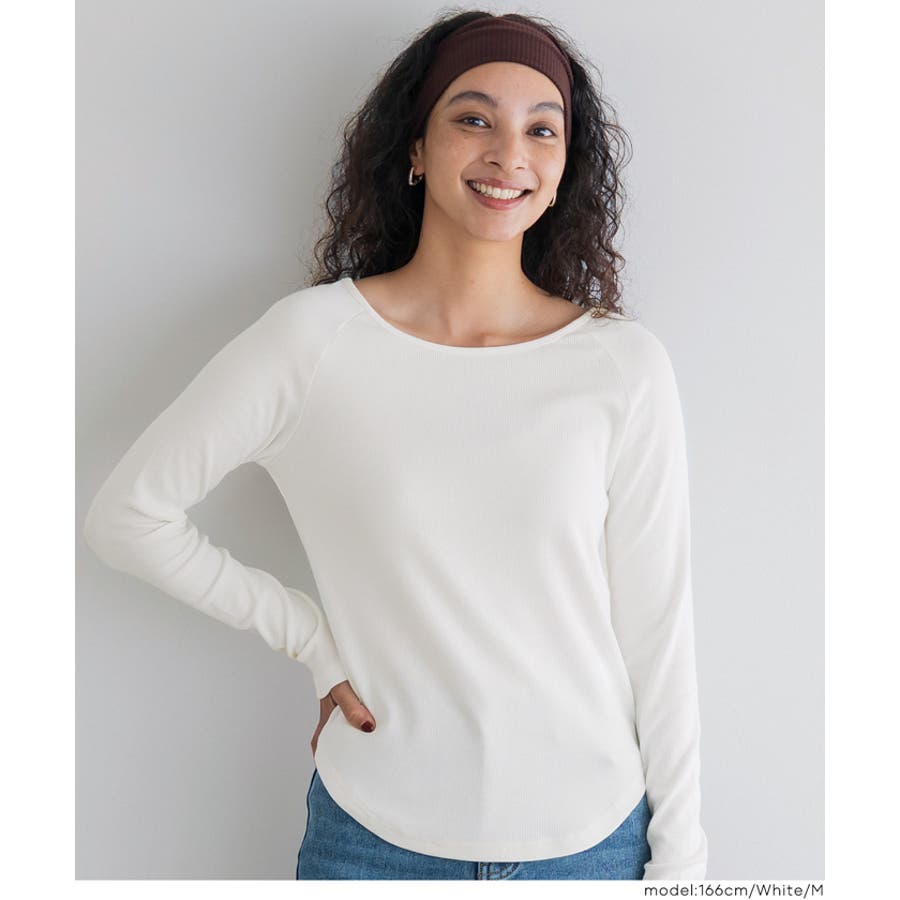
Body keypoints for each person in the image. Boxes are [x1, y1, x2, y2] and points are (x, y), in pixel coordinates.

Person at [83, 9, 708, 882]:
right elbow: (128, 517)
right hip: (371, 839)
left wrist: (683, 865)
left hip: (592, 842)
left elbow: (659, 631)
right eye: (473, 118)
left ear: (565, 167)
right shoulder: (313, 342)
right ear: (416, 147)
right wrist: (309, 636)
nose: (509, 153)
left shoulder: (620, 364)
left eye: (542, 129)